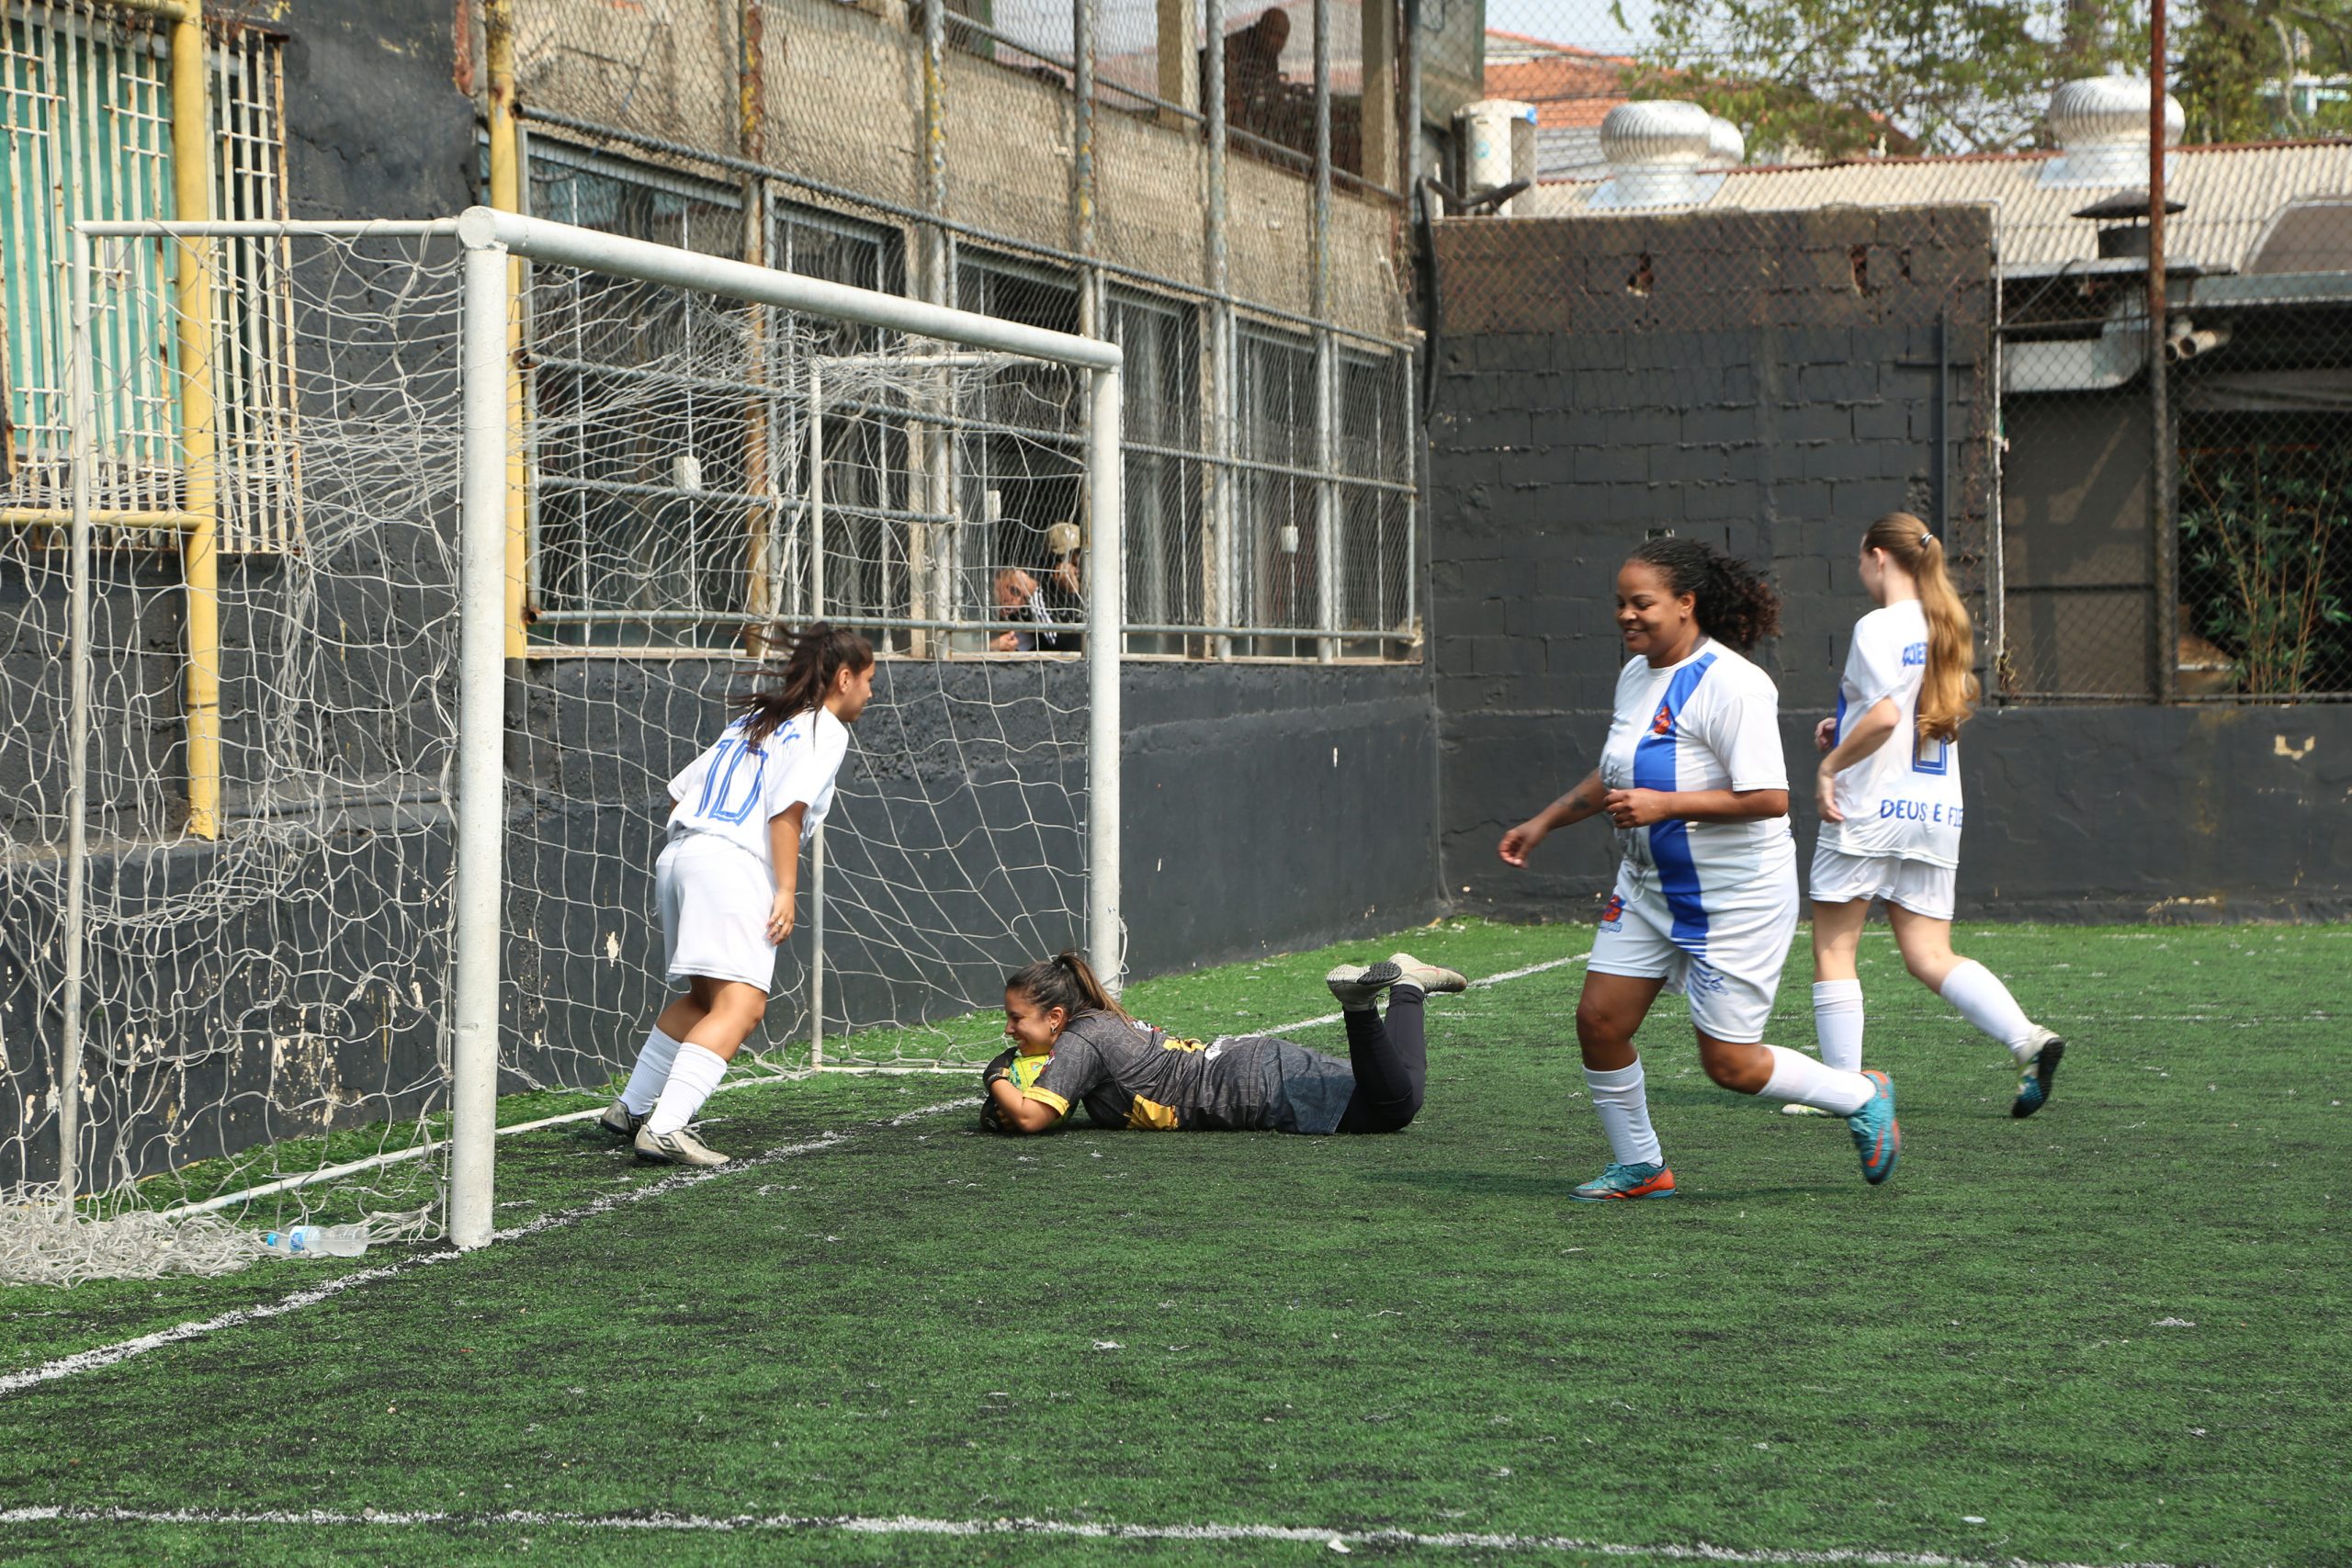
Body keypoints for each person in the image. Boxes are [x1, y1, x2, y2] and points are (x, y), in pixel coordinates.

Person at [1498, 536, 1899, 1201]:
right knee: (1598, 1020)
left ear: (1687, 604)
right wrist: (1546, 819)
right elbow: (1618, 770)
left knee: (1731, 1064)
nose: (1626, 615)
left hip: (1733, 898)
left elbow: (1771, 798)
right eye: (1620, 603)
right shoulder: (1636, 674)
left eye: (1642, 603)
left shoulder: (1735, 685)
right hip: (1649, 885)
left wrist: (1666, 804)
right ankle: (1643, 1166)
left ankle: (1861, 1093)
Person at [1797, 512, 2064, 1120]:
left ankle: (1846, 1091)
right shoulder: (1947, 624)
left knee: (1835, 949)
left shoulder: (1877, 626)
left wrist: (1830, 765)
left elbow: (1889, 716)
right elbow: (1907, 710)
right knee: (1930, 954)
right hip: (1936, 810)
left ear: (1878, 556)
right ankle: (2028, 1039)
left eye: (1861, 559)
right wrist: (1844, 725)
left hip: (1867, 810)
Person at [600, 623, 877, 1165]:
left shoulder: (755, 718)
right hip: (730, 865)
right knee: (744, 1004)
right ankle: (666, 1127)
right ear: (843, 678)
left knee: (707, 1000)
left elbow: (680, 791)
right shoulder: (825, 729)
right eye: (868, 680)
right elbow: (786, 812)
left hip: (681, 854)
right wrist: (787, 890)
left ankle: (632, 1108)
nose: (870, 692)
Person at [980, 950, 1464, 1136]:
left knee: (1394, 1107)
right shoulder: (1099, 1021)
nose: (1009, 1030)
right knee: (1394, 1091)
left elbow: (1030, 1117)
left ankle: (1362, 1006)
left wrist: (996, 1077)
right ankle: (1408, 985)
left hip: (1255, 1087)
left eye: (1016, 1018)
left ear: (1056, 1016)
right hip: (1250, 1065)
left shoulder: (1080, 1040)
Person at [989, 560, 1081, 653]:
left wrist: (1073, 593)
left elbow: (1064, 644)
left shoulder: (1019, 626)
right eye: (1014, 591)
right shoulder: (978, 599)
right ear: (999, 579)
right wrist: (990, 646)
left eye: (1025, 599)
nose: (1016, 602)